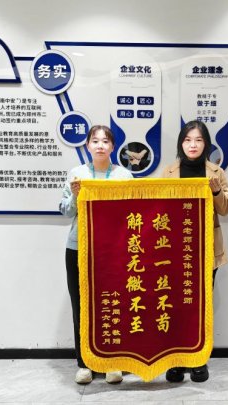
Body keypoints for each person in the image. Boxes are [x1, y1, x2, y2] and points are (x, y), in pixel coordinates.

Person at [59, 125, 133, 384]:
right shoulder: (77, 174)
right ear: (88, 145)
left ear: (113, 146)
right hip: (79, 248)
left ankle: (113, 362)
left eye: (105, 141)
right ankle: (84, 364)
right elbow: (65, 211)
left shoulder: (124, 176)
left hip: (114, 251)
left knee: (113, 303)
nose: (100, 145)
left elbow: (133, 213)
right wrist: (75, 196)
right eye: (95, 141)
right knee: (81, 305)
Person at [160, 120, 228, 383]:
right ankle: (176, 360)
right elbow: (159, 211)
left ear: (206, 144)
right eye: (188, 140)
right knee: (175, 304)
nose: (193, 145)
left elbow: (226, 209)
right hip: (174, 250)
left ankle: (199, 359)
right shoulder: (169, 172)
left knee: (201, 305)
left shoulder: (216, 172)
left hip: (205, 251)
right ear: (181, 143)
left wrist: (215, 191)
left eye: (199, 140)